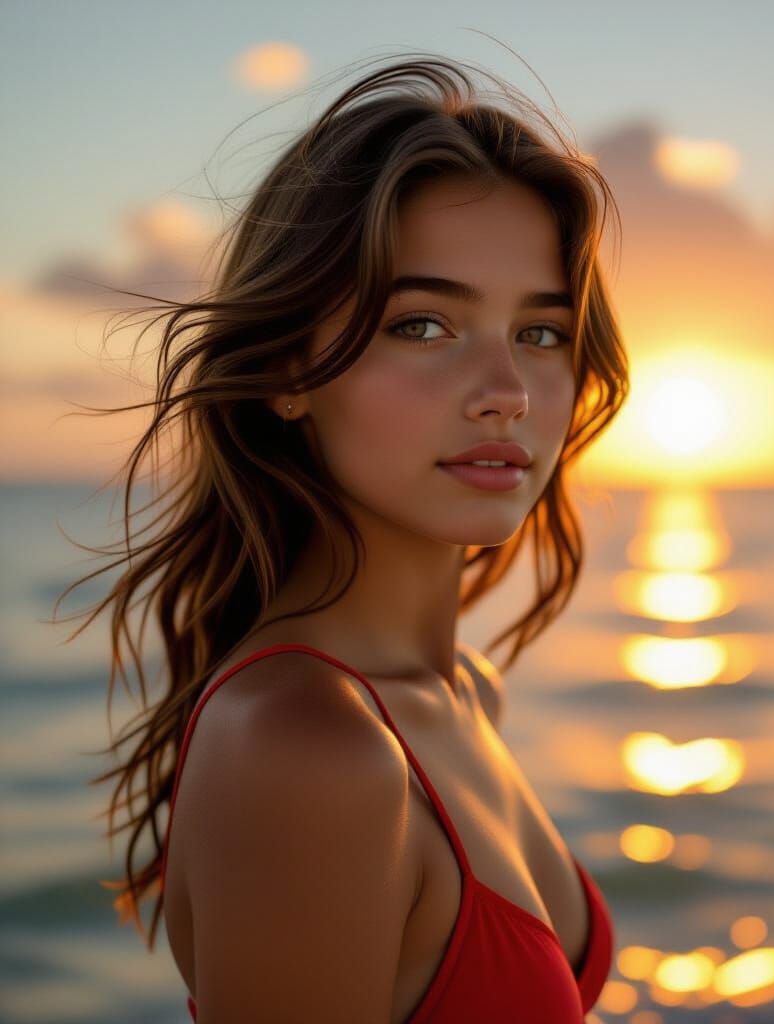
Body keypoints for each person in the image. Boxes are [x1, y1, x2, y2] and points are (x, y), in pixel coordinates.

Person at [59, 51, 629, 1022]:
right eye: (421, 325)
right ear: (288, 367)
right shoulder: (303, 746)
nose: (506, 391)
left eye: (540, 333)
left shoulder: (460, 694)